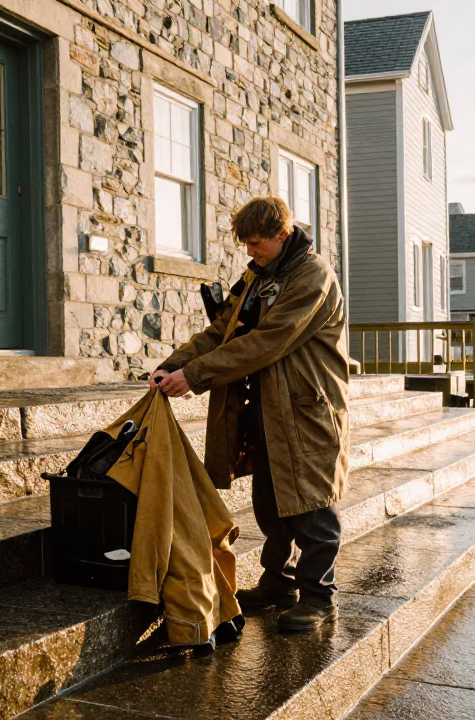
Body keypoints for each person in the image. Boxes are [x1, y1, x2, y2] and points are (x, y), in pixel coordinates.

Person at [151, 196, 350, 632]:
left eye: (256, 242)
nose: (249, 251)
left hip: (307, 412)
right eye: (246, 243)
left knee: (313, 508)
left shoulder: (312, 276)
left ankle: (319, 599)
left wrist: (195, 375)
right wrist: (174, 363)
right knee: (271, 504)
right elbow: (221, 330)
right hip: (265, 410)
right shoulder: (258, 276)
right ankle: (280, 584)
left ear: (283, 235)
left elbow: (267, 341)